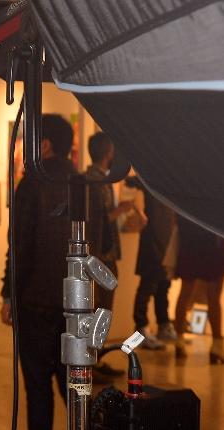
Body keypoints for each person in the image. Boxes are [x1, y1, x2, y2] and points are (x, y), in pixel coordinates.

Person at [0, 113, 77, 430]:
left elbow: (21, 245)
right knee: (74, 379)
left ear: (43, 145)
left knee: (37, 377)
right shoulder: (85, 183)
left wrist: (8, 292)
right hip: (78, 302)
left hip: (36, 298)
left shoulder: (32, 184)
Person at [84, 132, 144, 371]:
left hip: (102, 256)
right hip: (100, 257)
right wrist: (119, 212)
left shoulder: (97, 179)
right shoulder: (95, 181)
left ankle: (95, 358)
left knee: (100, 310)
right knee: (98, 309)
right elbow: (96, 221)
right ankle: (91, 360)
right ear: (108, 152)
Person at [171, 218, 224, 363]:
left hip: (190, 240)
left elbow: (176, 219)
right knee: (214, 296)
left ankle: (179, 340)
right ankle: (217, 345)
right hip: (213, 240)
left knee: (185, 291)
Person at [131, 179, 178, 350]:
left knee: (164, 283)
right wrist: (140, 214)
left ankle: (163, 324)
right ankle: (141, 329)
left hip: (166, 238)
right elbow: (129, 188)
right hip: (153, 239)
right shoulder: (147, 178)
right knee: (148, 284)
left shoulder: (169, 182)